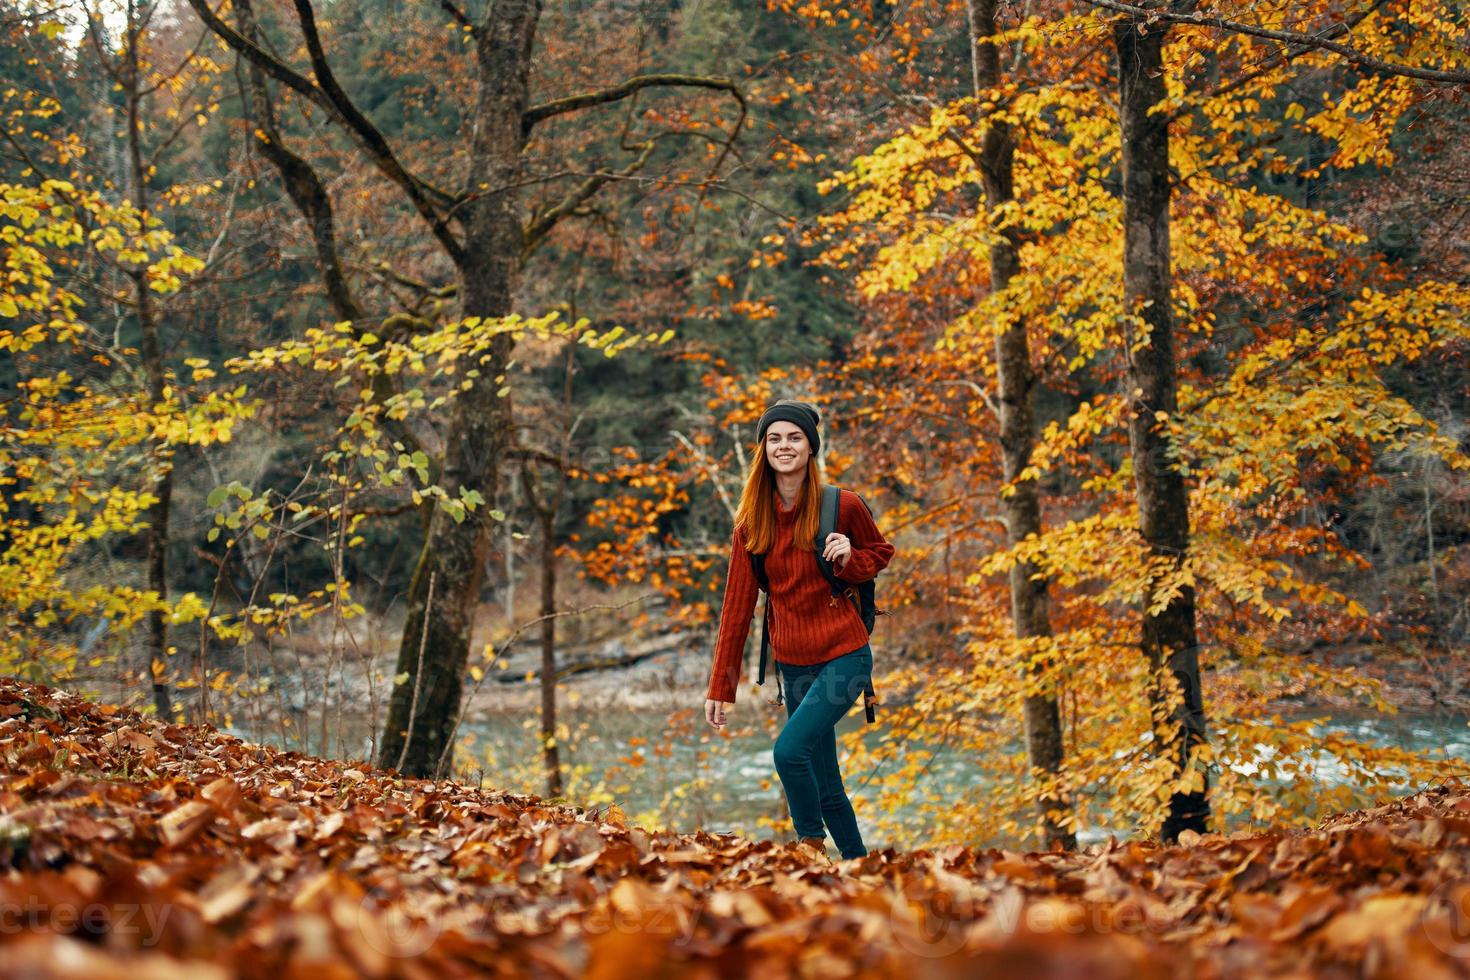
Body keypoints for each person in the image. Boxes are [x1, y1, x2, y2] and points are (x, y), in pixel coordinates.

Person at [703, 399, 894, 862]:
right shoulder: (752, 522)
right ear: (763, 449)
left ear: (810, 447)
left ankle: (809, 847)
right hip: (793, 662)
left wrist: (850, 558)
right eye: (774, 438)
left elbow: (879, 554)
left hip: (845, 654)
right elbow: (736, 607)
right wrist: (721, 683)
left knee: (789, 753)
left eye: (794, 437)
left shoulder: (841, 505)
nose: (784, 446)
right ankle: (859, 865)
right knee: (827, 782)